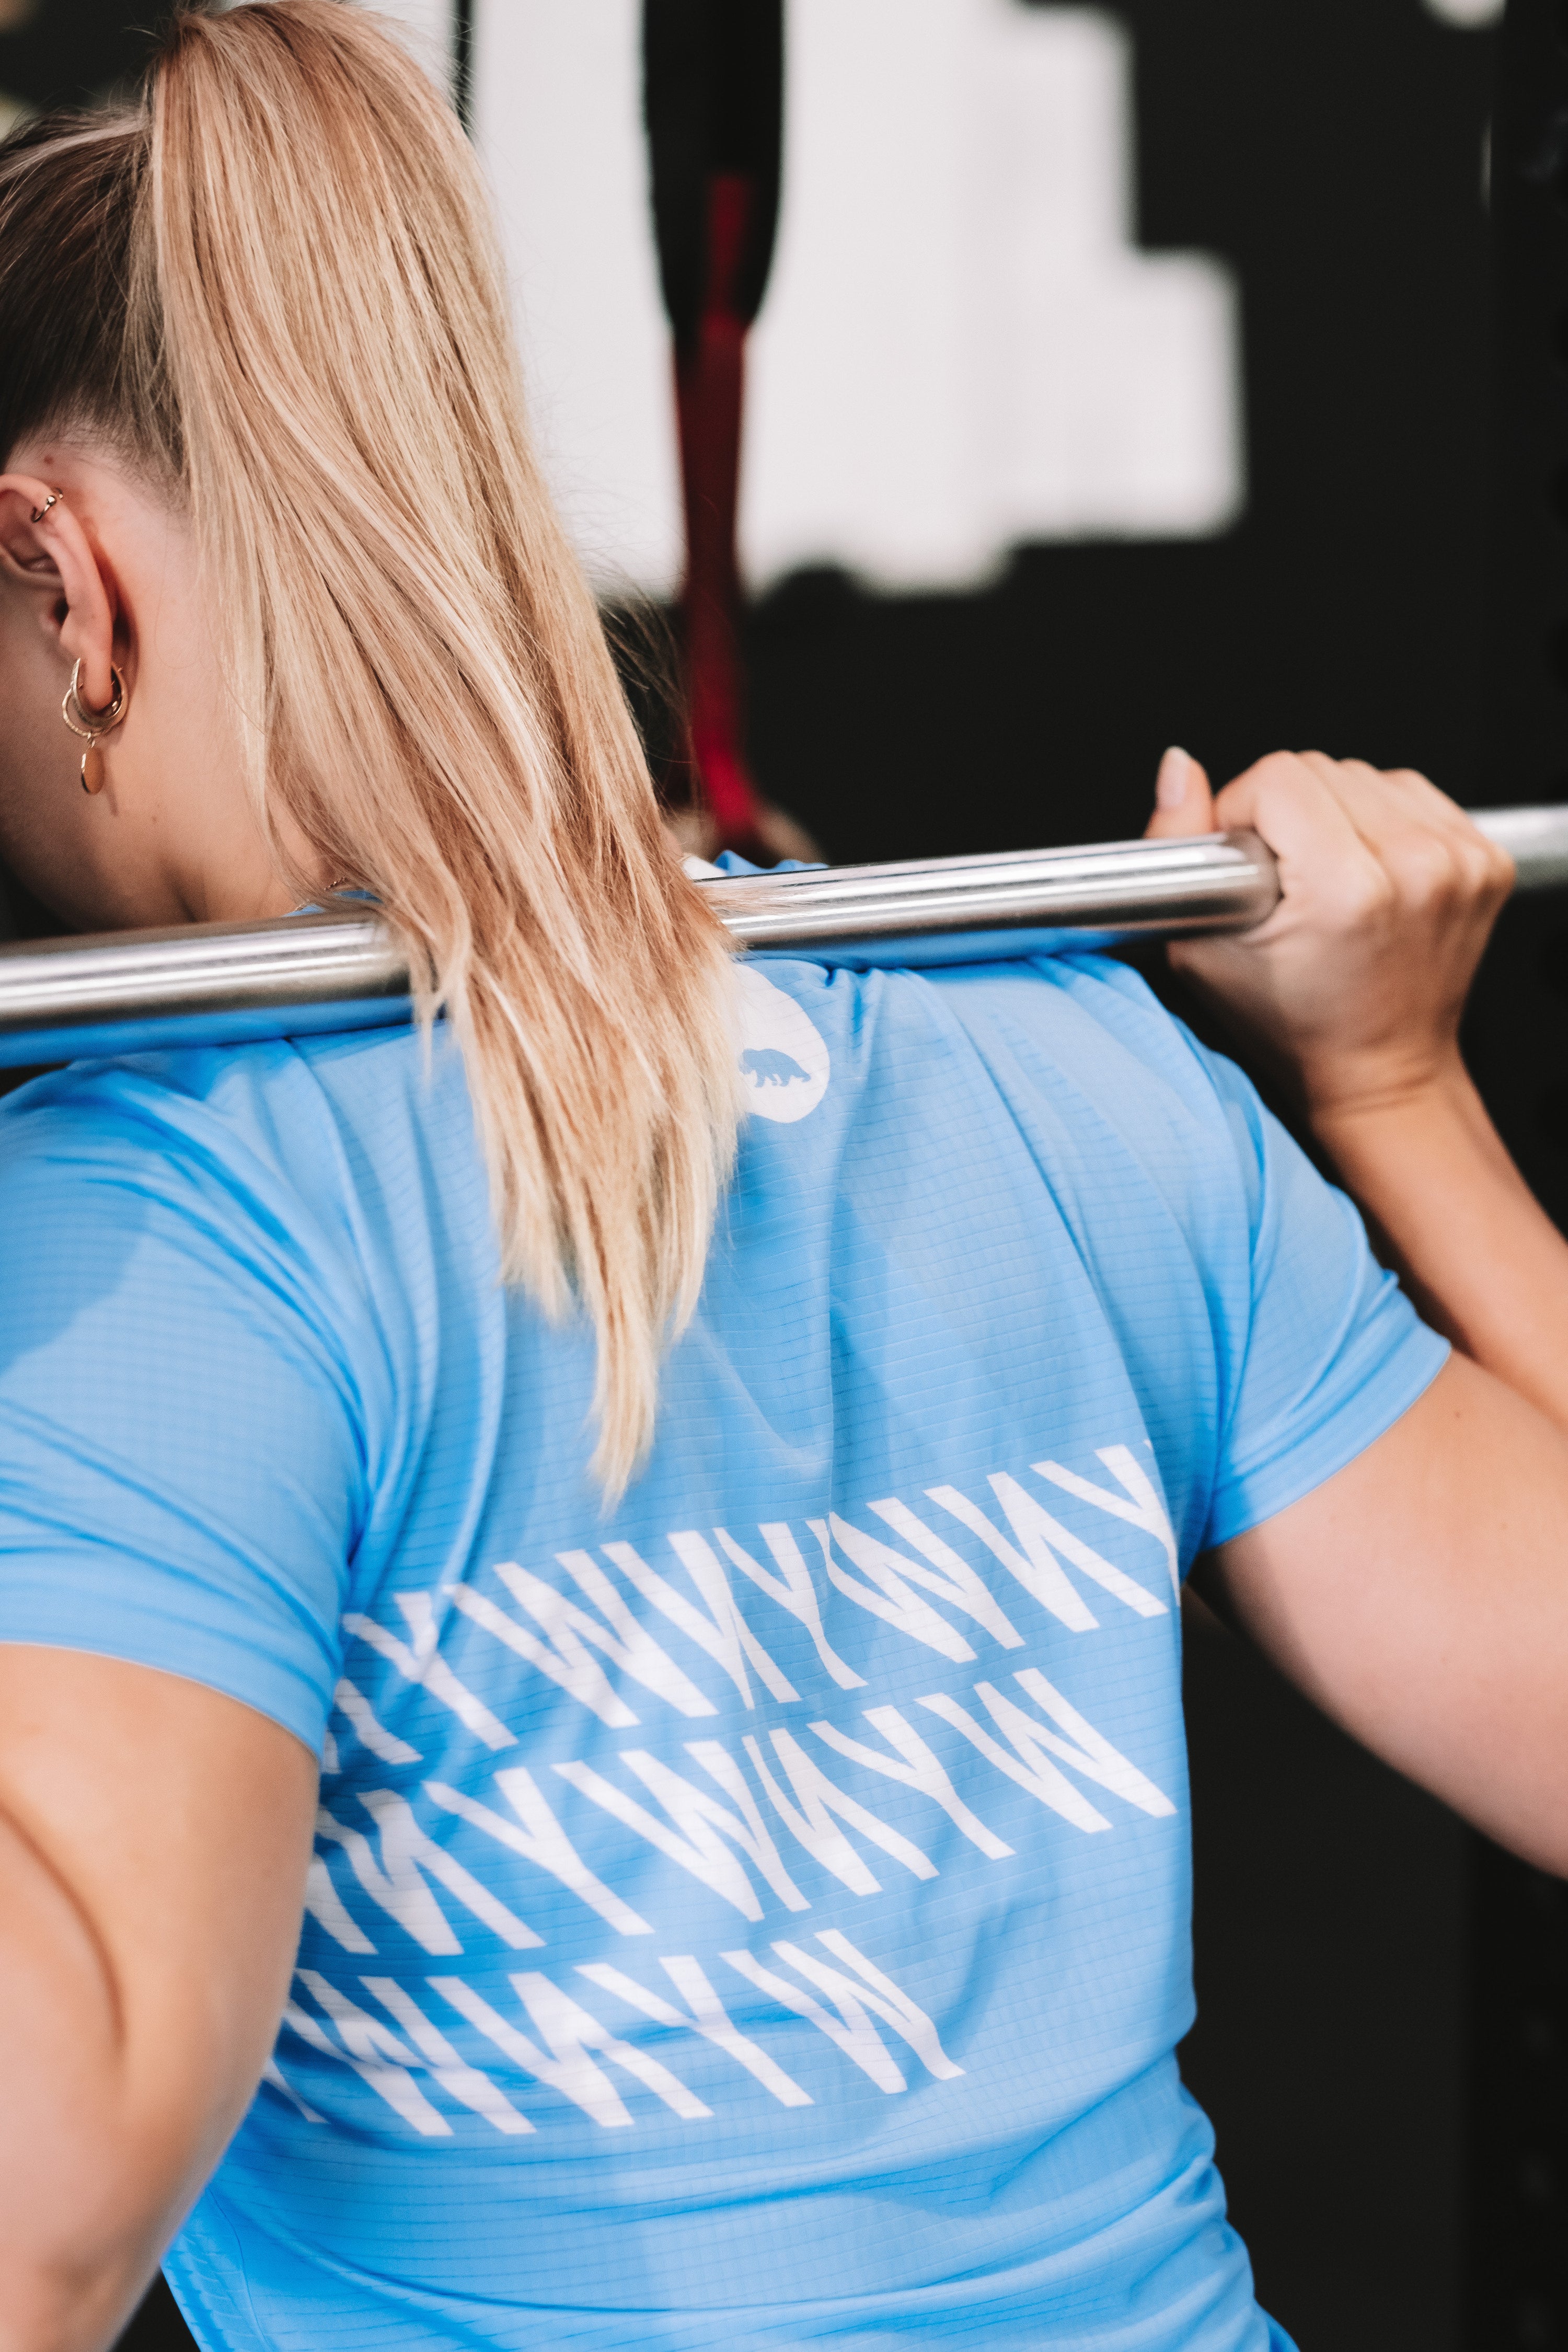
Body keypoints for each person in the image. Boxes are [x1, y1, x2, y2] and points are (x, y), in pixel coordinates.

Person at [0, 9, 1563, 2352]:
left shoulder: (151, 1232)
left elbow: (43, 2218)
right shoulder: (1047, 1065)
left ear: (57, 576)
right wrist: (1397, 1090)